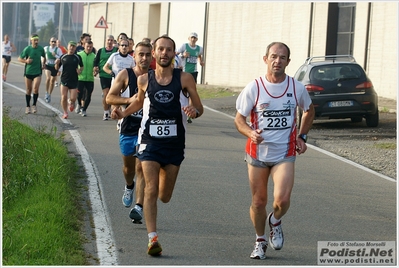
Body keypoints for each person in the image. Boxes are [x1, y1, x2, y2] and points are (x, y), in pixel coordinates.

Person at [113, 36, 204, 256]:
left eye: (169, 50)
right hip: (149, 141)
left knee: (164, 195)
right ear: (154, 53)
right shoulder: (145, 79)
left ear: (174, 53)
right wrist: (123, 112)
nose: (164, 53)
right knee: (151, 189)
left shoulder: (185, 79)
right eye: (160, 49)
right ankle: (152, 239)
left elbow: (199, 107)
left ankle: (153, 223)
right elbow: (139, 102)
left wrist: (194, 110)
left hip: (174, 144)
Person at [234, 42, 315, 260]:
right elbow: (239, 120)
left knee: (282, 201)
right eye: (273, 56)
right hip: (257, 153)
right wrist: (250, 133)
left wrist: (302, 136)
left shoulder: (295, 87)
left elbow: (309, 110)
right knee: (259, 202)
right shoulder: (255, 87)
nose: (277, 61)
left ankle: (275, 221)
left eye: (282, 57)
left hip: (284, 152)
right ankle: (260, 241)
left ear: (288, 61)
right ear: (265, 59)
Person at [106, 41, 153, 224]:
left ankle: (139, 207)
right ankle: (129, 185)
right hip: (128, 126)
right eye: (141, 54)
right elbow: (110, 97)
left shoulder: (155, 77)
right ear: (134, 56)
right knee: (129, 168)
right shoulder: (125, 74)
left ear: (152, 57)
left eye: (147, 55)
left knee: (142, 167)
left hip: (147, 129)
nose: (144, 58)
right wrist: (128, 100)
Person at [103, 38, 135, 121]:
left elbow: (134, 70)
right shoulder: (114, 56)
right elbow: (105, 67)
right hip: (116, 82)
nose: (124, 47)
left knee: (123, 102)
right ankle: (113, 113)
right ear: (119, 47)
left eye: (126, 45)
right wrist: (111, 72)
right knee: (115, 101)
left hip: (126, 84)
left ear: (129, 47)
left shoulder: (131, 59)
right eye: (122, 45)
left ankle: (122, 119)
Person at [17, 33, 46, 114]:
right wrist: (26, 61)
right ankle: (27, 106)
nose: (36, 41)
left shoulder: (40, 49)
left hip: (37, 72)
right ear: (31, 41)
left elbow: (44, 56)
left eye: (37, 40)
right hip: (28, 72)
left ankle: (34, 105)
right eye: (34, 40)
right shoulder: (27, 49)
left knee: (35, 89)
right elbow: (19, 58)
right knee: (29, 89)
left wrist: (44, 64)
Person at [55, 41, 84, 119]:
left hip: (74, 80)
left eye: (73, 46)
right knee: (63, 97)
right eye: (70, 46)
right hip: (64, 79)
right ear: (67, 46)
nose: (72, 48)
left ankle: (71, 102)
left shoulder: (77, 57)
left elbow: (81, 66)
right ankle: (65, 112)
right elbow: (57, 69)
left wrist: (79, 71)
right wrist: (57, 64)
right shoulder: (63, 57)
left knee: (73, 98)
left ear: (75, 48)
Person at [93, 35, 118, 120]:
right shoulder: (101, 51)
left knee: (113, 94)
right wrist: (95, 68)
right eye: (108, 40)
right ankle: (106, 112)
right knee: (106, 93)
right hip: (103, 75)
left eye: (111, 40)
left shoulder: (116, 51)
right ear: (106, 41)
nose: (110, 42)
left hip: (114, 75)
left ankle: (112, 109)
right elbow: (96, 62)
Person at [76, 40, 96, 117]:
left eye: (90, 47)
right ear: (84, 46)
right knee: (79, 94)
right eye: (87, 46)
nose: (89, 48)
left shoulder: (94, 56)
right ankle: (79, 104)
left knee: (88, 96)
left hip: (90, 79)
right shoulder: (79, 55)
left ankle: (84, 109)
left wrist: (96, 70)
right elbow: (74, 64)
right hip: (80, 78)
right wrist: (76, 70)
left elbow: (96, 66)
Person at [43, 37, 63, 103]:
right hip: (48, 65)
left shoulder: (58, 50)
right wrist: (42, 63)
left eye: (54, 42)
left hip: (55, 67)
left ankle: (49, 94)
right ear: (49, 42)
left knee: (52, 81)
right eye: (52, 41)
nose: (53, 43)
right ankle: (46, 92)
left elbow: (62, 58)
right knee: (48, 78)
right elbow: (42, 56)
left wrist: (55, 56)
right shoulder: (46, 48)